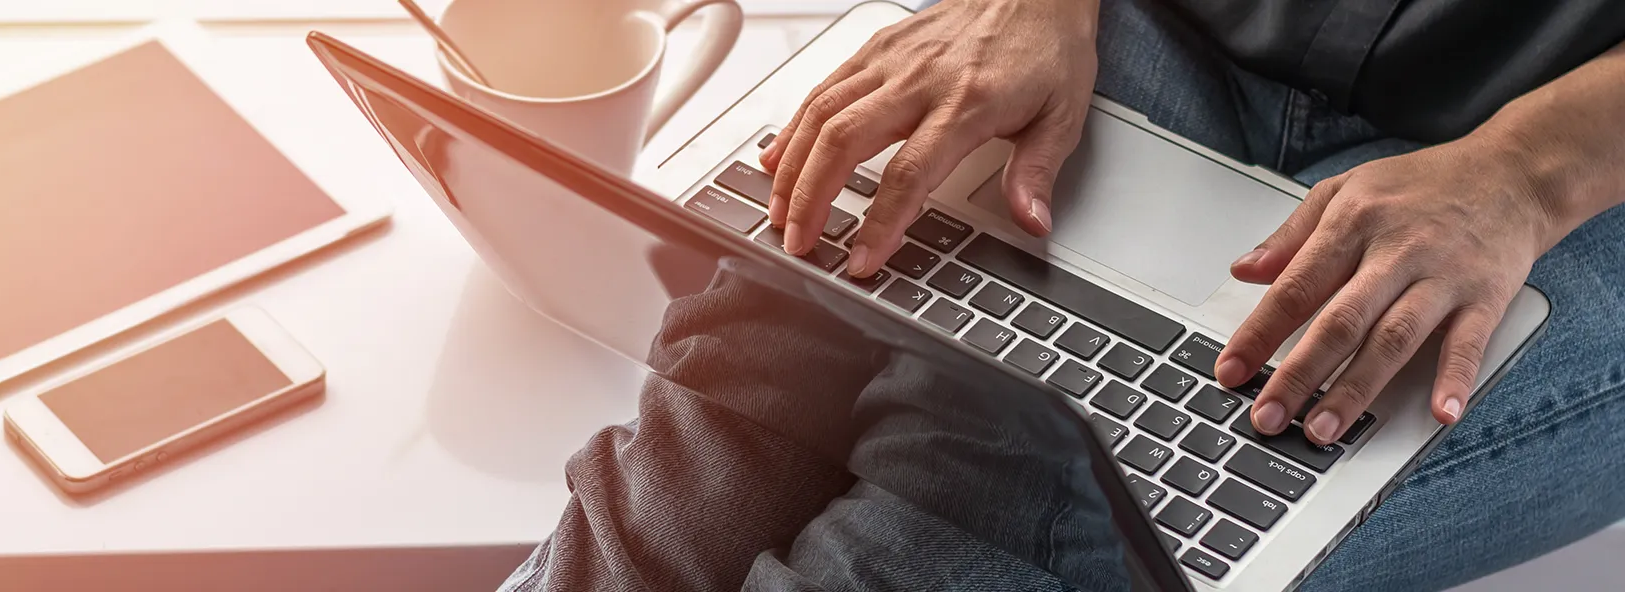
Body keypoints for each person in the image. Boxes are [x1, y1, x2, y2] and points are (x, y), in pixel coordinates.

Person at [507, 0, 1625, 589]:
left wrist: (1528, 171)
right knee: (745, 394)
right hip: (1159, 27)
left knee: (1007, 521)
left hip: (1578, 162)